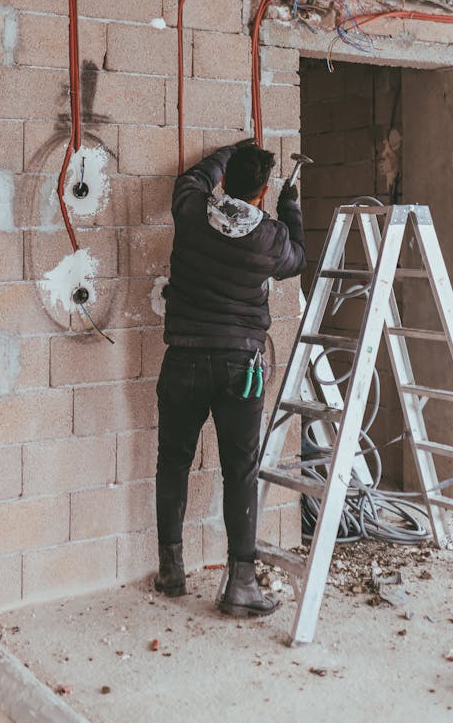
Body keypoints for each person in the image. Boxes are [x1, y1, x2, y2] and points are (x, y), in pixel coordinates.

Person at [154, 138, 306, 617]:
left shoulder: (194, 210)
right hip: (240, 368)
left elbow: (190, 180)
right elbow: (299, 258)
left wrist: (229, 152)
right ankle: (240, 583)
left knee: (173, 462)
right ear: (261, 193)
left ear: (225, 182)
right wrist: (291, 207)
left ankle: (171, 571)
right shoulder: (270, 238)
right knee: (239, 470)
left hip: (183, 360)